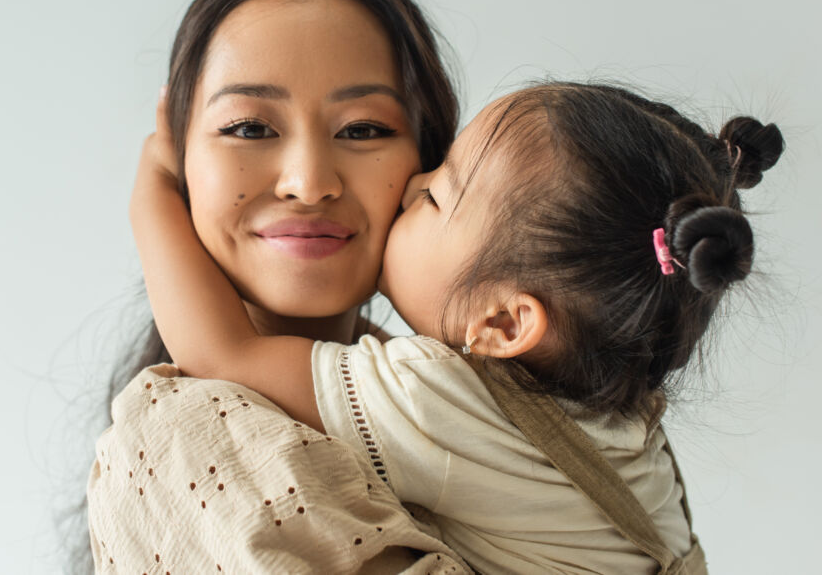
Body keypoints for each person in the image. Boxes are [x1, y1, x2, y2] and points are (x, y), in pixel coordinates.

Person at [133, 80, 783, 573]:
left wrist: (155, 188)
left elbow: (222, 353)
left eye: (437, 194)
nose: (411, 183)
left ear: (502, 322)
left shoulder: (438, 396)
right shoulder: (626, 412)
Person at [85, 0, 472, 573]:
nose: (309, 181)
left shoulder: (467, 399)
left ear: (430, 165)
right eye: (248, 128)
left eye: (364, 129)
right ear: (178, 158)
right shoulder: (184, 441)